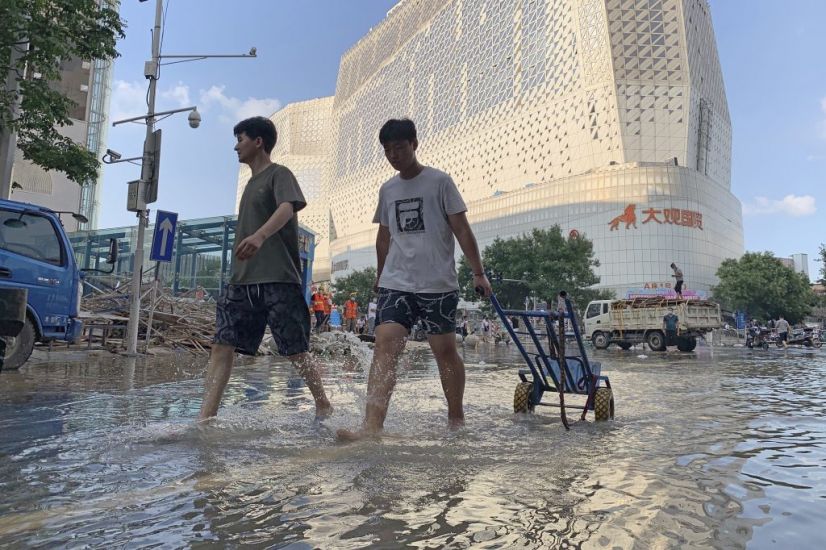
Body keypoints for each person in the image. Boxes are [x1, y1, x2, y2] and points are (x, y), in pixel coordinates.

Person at [337, 118, 492, 441]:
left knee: (444, 350)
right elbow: (383, 237)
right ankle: (371, 427)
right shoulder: (388, 189)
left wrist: (478, 272)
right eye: (387, 150)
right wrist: (381, 276)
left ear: (414, 145)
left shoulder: (440, 182)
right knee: (385, 344)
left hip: (437, 282)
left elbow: (462, 229)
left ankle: (455, 419)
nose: (394, 155)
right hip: (397, 281)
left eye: (400, 148)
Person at [199, 116, 331, 422]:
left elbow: (288, 207)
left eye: (241, 139)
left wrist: (260, 235)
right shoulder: (248, 186)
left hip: (278, 279)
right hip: (242, 281)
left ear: (258, 142)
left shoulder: (278, 174)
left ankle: (323, 403)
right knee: (222, 345)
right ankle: (205, 418)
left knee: (295, 350)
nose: (236, 146)